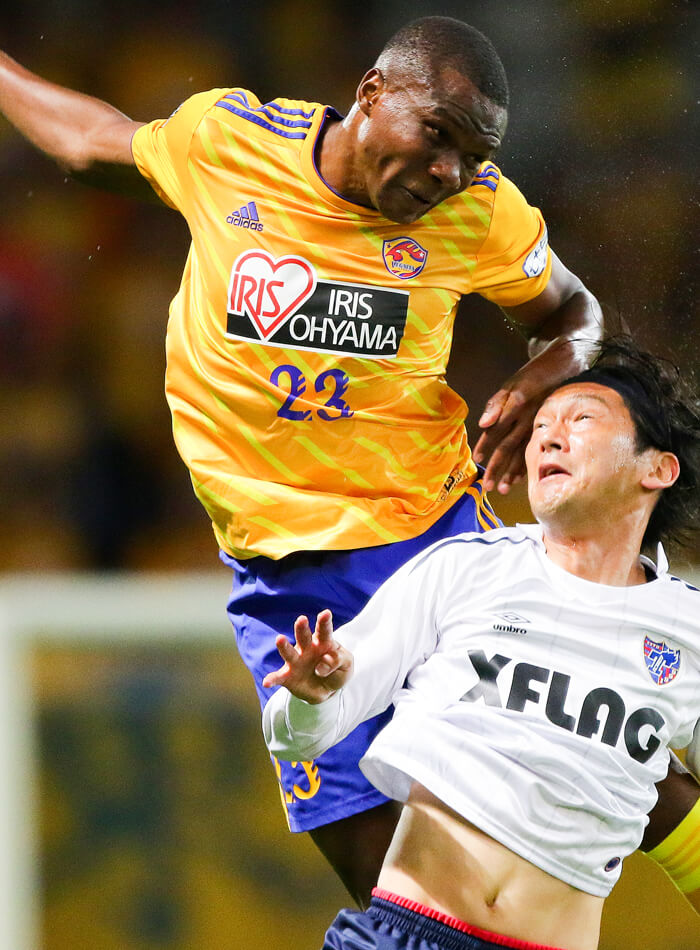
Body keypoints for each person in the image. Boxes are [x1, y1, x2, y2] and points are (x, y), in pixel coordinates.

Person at [0, 17, 692, 905]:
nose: (449, 173)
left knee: (589, 738)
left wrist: (545, 371)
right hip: (286, 574)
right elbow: (91, 141)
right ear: (371, 93)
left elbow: (575, 312)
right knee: (386, 876)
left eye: (472, 156)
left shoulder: (479, 212)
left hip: (433, 535)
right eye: (437, 135)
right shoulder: (233, 144)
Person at [264, 336, 700, 950]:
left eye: (581, 420)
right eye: (541, 426)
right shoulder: (465, 569)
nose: (548, 438)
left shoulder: (688, 630)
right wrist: (310, 698)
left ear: (657, 468)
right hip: (403, 935)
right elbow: (292, 735)